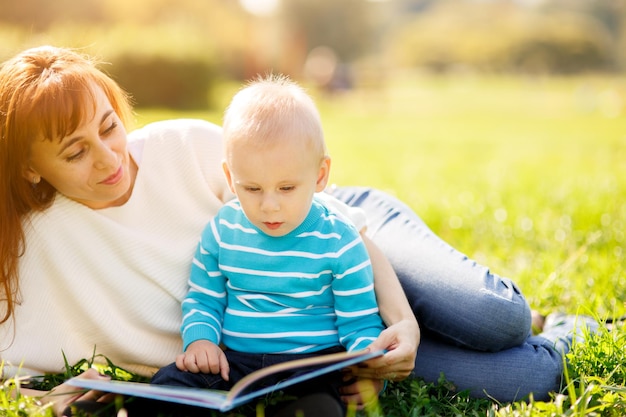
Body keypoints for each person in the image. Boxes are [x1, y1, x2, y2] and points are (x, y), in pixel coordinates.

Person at [0, 45, 587, 416]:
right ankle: (565, 331)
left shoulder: (183, 146)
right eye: (76, 152)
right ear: (31, 167)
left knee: (493, 317)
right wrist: (68, 389)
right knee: (523, 375)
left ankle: (511, 314)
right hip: (306, 332)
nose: (108, 158)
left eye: (109, 127)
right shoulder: (42, 243)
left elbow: (343, 229)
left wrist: (403, 321)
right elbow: (24, 359)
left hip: (346, 228)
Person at [151, 74, 386, 412]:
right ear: (231, 178)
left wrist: (369, 364)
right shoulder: (221, 231)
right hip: (235, 363)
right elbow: (204, 298)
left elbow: (360, 322)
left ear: (320, 176)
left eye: (287, 188)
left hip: (311, 364)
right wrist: (201, 340)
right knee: (168, 386)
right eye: (252, 189)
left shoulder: (339, 240)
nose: (269, 206)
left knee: (324, 407)